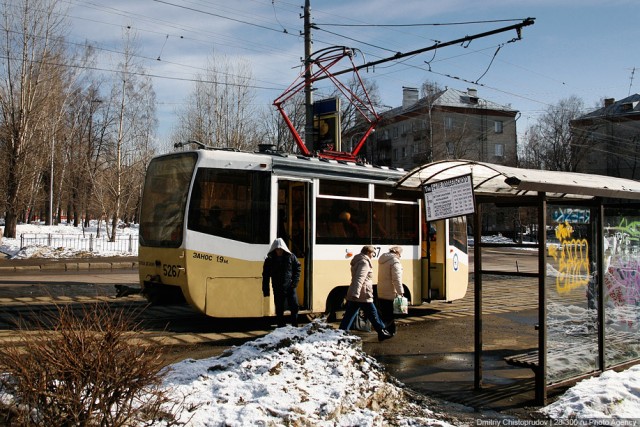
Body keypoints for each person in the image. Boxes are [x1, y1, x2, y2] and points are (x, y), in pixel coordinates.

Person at [339, 245, 392, 341]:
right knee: (372, 312)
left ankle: (341, 332)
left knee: (350, 314)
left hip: (357, 292)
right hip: (363, 293)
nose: (373, 255)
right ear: (368, 252)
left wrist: (354, 293)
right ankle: (381, 331)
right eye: (373, 253)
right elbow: (360, 279)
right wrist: (356, 293)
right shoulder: (364, 262)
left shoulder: (358, 260)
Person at [262, 238, 301, 327]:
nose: (279, 251)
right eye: (277, 249)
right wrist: (266, 290)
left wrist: (294, 282)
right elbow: (266, 275)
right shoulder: (269, 260)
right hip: (277, 287)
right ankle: (280, 326)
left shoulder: (291, 257)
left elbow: (298, 268)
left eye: (280, 249)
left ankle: (295, 325)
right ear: (274, 249)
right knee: (279, 308)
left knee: (294, 306)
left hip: (290, 286)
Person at [377, 246, 404, 335]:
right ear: (397, 253)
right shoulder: (394, 261)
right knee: (390, 314)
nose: (400, 256)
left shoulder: (383, 259)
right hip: (390, 291)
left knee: (385, 313)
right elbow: (396, 279)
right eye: (400, 254)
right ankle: (386, 331)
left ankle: (390, 331)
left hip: (381, 290)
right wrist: (400, 292)